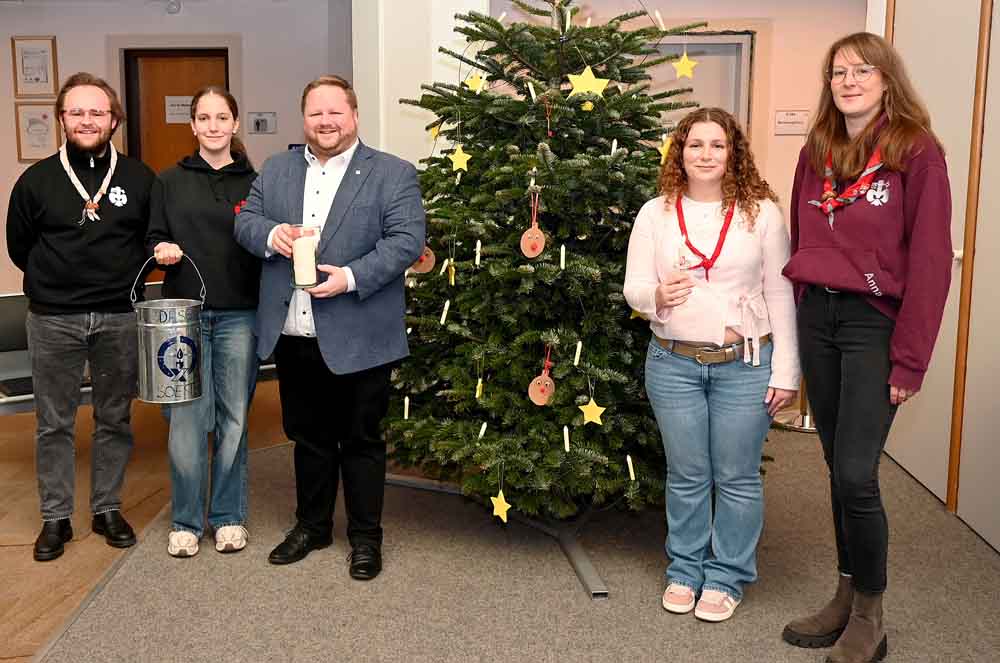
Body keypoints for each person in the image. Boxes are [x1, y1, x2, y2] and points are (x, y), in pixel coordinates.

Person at [780, 33, 951, 663]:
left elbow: (932, 263)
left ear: (886, 79)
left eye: (862, 70)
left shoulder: (916, 151)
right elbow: (804, 235)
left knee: (857, 471)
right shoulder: (817, 150)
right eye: (837, 72)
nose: (848, 81)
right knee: (835, 465)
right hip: (818, 317)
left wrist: (910, 358)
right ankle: (845, 595)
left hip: (874, 323)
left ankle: (872, 615)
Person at [234, 75, 425, 579]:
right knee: (309, 438)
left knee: (361, 440)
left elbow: (406, 241)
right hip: (295, 334)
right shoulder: (276, 170)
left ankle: (365, 539)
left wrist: (350, 277)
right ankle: (312, 527)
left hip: (362, 333)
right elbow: (245, 221)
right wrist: (272, 233)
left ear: (354, 115)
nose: (326, 122)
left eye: (335, 112)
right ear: (305, 119)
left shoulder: (392, 172)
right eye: (316, 113)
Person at [624, 107, 800, 622]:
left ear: (733, 153)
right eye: (695, 144)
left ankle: (726, 576)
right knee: (687, 474)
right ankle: (685, 568)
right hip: (673, 364)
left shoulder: (761, 213)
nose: (705, 154)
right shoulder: (655, 212)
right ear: (679, 152)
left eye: (717, 145)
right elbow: (633, 286)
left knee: (738, 476)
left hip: (744, 364)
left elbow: (780, 292)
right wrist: (656, 293)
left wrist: (786, 370)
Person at [6, 72, 156, 561]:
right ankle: (56, 518)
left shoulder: (139, 178)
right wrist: (61, 281)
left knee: (115, 417)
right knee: (54, 423)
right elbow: (20, 248)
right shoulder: (36, 181)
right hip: (53, 320)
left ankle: (107, 508)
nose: (87, 120)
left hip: (119, 317)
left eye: (97, 112)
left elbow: (151, 241)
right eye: (77, 112)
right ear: (62, 119)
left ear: (114, 119)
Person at [146, 86, 260, 558]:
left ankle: (229, 517)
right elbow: (153, 235)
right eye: (204, 118)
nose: (213, 126)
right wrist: (160, 249)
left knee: (233, 419)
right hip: (183, 319)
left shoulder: (257, 182)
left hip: (240, 314)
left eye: (222, 118)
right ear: (192, 126)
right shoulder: (169, 180)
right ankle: (187, 521)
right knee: (188, 423)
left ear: (235, 125)